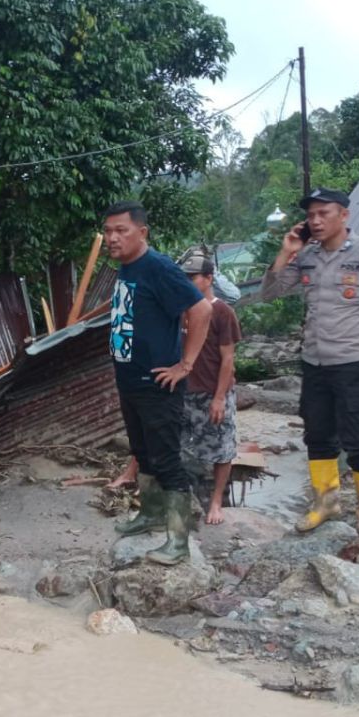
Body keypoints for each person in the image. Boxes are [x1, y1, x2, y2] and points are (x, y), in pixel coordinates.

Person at [260, 187, 359, 535]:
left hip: (353, 362)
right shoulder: (306, 256)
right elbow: (270, 292)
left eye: (324, 213)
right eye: (311, 216)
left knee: (358, 435)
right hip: (314, 363)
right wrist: (286, 252)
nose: (316, 221)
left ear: (344, 216)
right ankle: (326, 503)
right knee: (318, 434)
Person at [105, 200, 213, 565]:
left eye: (121, 230)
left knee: (167, 459)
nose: (112, 238)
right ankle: (149, 513)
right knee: (142, 451)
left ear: (142, 232)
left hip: (158, 384)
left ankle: (178, 541)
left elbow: (202, 309)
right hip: (130, 380)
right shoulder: (127, 268)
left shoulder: (158, 268)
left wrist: (185, 364)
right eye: (108, 231)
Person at [177, 246, 242, 526]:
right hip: (183, 391)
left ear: (208, 278)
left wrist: (219, 397)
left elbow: (228, 359)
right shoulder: (180, 310)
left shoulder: (222, 312)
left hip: (213, 391)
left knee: (222, 447)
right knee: (179, 446)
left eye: (192, 277)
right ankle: (182, 498)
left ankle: (216, 501)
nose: (187, 282)